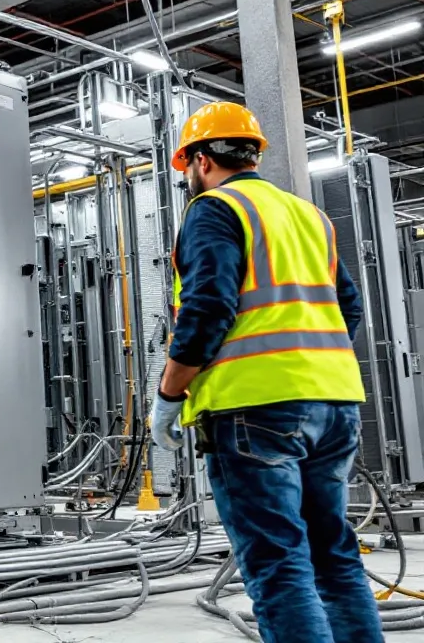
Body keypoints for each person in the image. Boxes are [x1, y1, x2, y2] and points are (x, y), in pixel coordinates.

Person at [150, 101, 376, 643]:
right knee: (335, 557)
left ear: (202, 160)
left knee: (280, 566)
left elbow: (207, 310)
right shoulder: (308, 215)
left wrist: (169, 393)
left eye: (187, 167)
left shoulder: (214, 211)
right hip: (335, 403)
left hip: (254, 411)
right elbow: (349, 308)